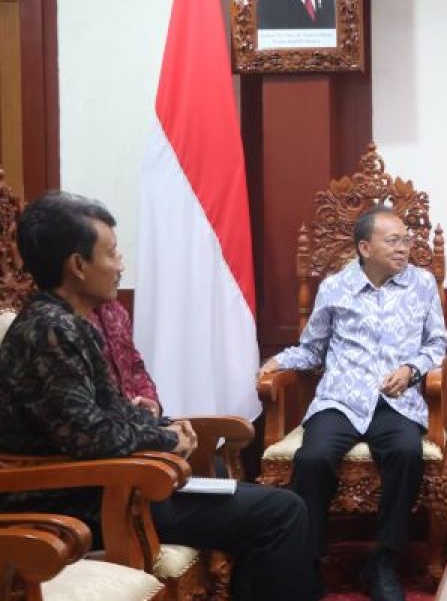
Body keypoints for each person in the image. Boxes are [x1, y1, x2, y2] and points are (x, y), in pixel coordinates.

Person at [0, 192, 318, 601]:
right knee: (283, 513)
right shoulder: (51, 331)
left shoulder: (67, 322)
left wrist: (163, 427)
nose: (121, 266)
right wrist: (167, 439)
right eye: (112, 253)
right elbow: (92, 436)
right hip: (81, 501)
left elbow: (104, 414)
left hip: (109, 485)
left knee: (261, 500)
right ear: (77, 265)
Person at [259, 204, 447, 601]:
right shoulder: (334, 287)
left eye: (406, 240)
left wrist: (412, 369)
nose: (404, 247)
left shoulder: (421, 284)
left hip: (395, 401)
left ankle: (383, 560)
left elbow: (437, 343)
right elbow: (312, 348)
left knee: (406, 452)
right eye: (393, 240)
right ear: (365, 247)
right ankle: (309, 560)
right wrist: (279, 362)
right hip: (340, 399)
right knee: (312, 458)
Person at [88, 298, 161, 416]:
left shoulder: (116, 310)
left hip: (135, 418)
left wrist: (150, 401)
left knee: (185, 426)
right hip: (102, 420)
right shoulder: (67, 322)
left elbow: (134, 365)